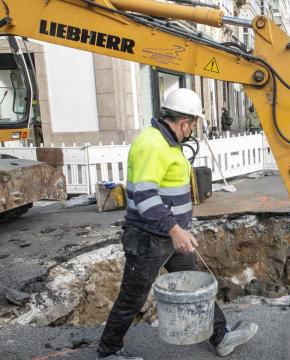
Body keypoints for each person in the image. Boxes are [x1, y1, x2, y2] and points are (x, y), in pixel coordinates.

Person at [97, 88, 258, 360]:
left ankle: (221, 336)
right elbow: (145, 197)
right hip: (150, 237)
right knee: (133, 296)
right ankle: (108, 351)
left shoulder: (166, 142)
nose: (191, 130)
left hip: (170, 236)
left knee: (196, 284)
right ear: (184, 121)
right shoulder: (153, 145)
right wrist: (174, 229)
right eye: (192, 124)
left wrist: (177, 230)